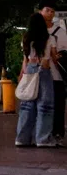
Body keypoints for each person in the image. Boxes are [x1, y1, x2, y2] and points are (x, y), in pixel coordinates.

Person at [16, 12, 58, 147]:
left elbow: (25, 60)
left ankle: (22, 138)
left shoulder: (26, 38)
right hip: (44, 72)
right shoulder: (49, 38)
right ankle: (42, 138)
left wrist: (22, 74)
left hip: (29, 71)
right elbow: (54, 57)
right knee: (45, 106)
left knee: (27, 106)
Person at [40, 0, 67, 142]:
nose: (50, 13)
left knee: (58, 105)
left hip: (56, 76)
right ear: (40, 12)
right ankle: (42, 133)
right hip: (39, 75)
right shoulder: (35, 31)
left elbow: (63, 54)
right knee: (42, 105)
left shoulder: (60, 32)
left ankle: (57, 133)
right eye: (47, 10)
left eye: (52, 11)